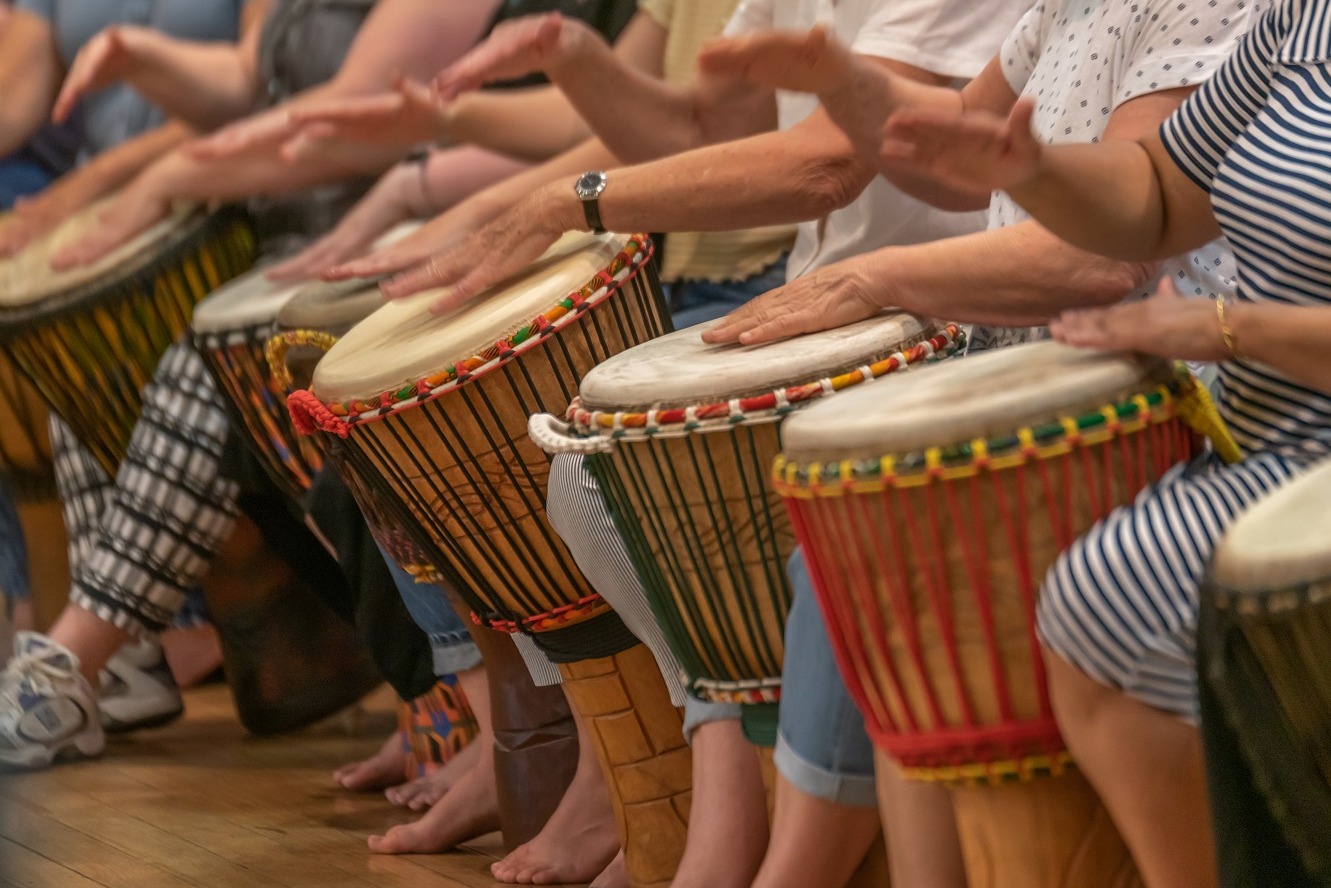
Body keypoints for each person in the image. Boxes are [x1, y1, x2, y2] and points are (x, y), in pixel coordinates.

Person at [829, 1, 1330, 884]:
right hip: (1265, 433)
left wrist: (1230, 328)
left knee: (1109, 587)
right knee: (1038, 585)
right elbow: (1156, 189)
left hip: (1288, 423)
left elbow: (1138, 274)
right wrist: (1037, 171)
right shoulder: (1298, 22)